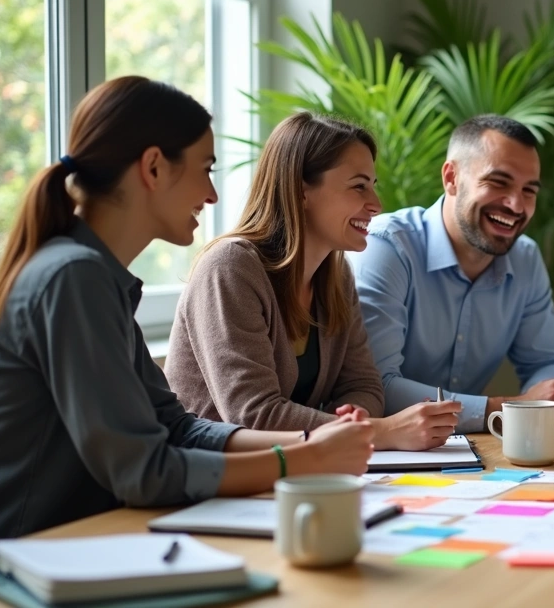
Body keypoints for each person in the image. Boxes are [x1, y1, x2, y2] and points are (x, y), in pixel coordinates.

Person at [0, 77, 373, 539]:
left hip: (94, 541)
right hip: (38, 555)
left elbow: (176, 427)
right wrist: (298, 460)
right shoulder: (73, 278)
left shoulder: (97, 278)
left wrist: (310, 442)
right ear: (154, 168)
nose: (212, 195)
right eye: (205, 168)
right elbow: (145, 472)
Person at [167, 112, 461, 450]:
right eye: (358, 186)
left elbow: (364, 383)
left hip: (297, 471)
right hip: (219, 481)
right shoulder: (230, 268)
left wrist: (356, 415)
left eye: (373, 187)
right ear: (301, 189)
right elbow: (253, 415)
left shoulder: (335, 276)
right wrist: (377, 432)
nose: (376, 205)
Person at [350, 115, 554, 435]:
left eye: (529, 190)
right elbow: (375, 387)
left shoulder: (525, 257)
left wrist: (553, 396)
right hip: (380, 458)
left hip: (473, 456)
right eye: (498, 182)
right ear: (451, 178)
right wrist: (512, 409)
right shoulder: (385, 247)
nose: (516, 205)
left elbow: (549, 362)